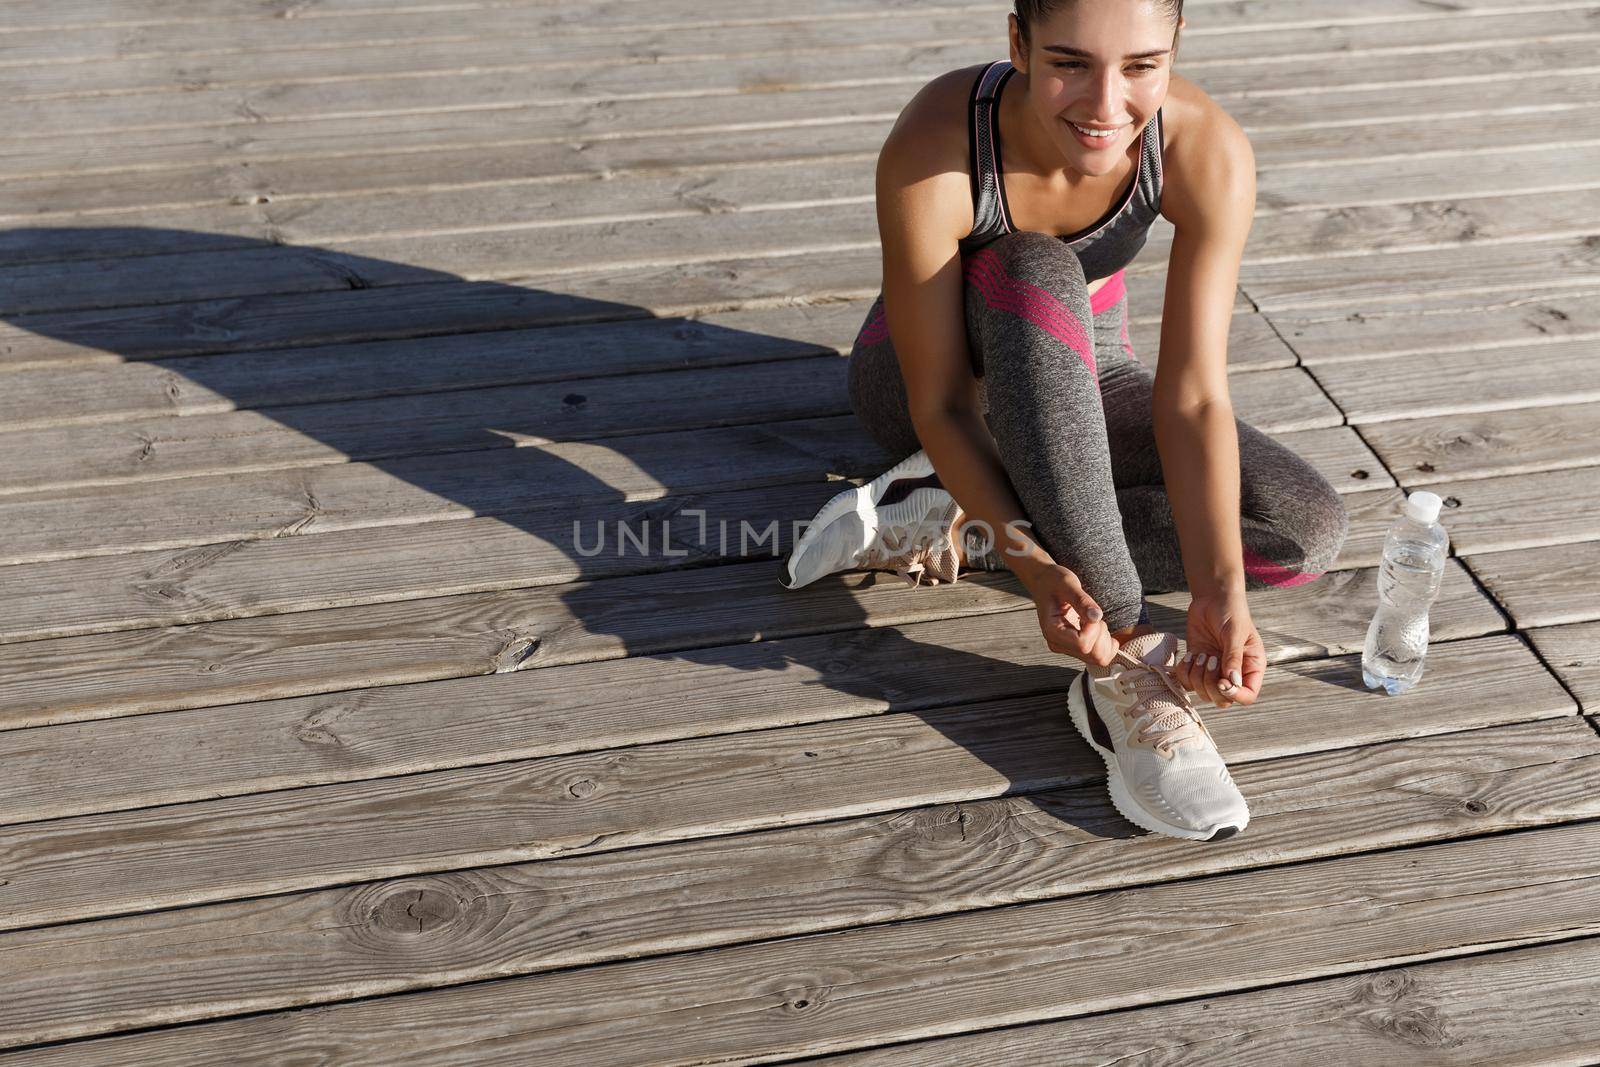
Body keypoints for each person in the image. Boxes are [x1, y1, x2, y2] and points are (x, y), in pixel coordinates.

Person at [781, 0, 1350, 842]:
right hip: (925, 386)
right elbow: (933, 399)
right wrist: (1040, 569)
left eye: (1141, 66)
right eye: (1069, 63)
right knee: (1037, 267)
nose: (1106, 104)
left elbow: (1192, 396)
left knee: (1298, 531)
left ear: (1176, 48)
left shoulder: (1205, 148)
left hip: (1087, 371)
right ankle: (1122, 663)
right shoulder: (938, 140)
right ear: (1017, 41)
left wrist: (1219, 592)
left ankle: (959, 520)